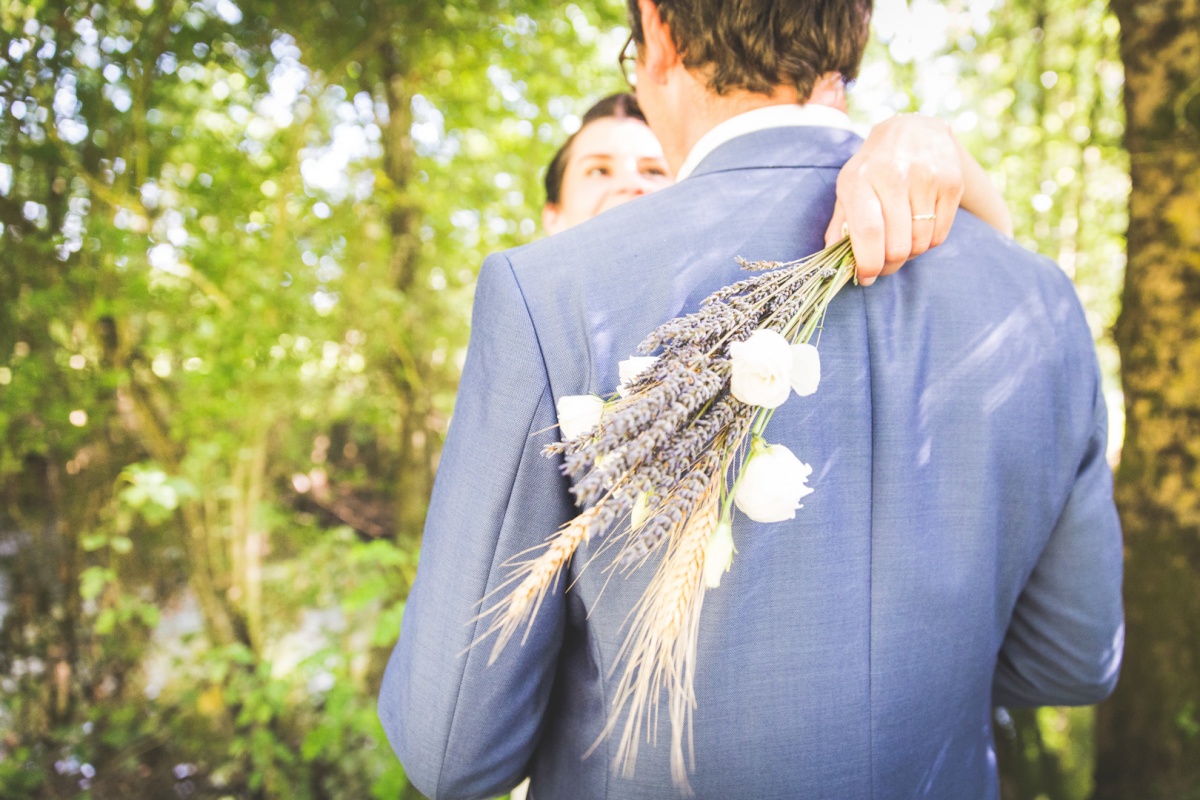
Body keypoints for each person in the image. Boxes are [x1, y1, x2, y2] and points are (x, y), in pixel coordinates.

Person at [378, 1, 1124, 798]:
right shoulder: (1040, 303)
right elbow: (1071, 658)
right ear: (853, 32)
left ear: (659, 32)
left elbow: (451, 746)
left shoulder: (548, 291)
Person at [540, 92, 1015, 283]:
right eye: (598, 171)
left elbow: (1001, 245)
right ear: (553, 214)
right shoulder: (528, 309)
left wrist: (934, 140)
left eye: (653, 170)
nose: (630, 185)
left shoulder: (731, 287)